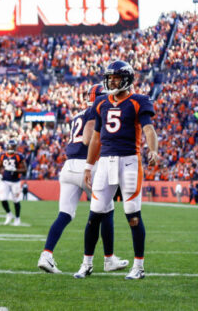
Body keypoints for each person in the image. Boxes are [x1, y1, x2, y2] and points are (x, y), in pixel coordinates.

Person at [75, 60, 160, 280]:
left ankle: (139, 267)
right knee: (94, 216)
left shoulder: (138, 101)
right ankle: (86, 264)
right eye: (110, 77)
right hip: (104, 163)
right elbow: (95, 137)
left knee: (132, 215)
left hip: (130, 161)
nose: (112, 81)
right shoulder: (101, 102)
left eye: (116, 78)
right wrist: (88, 165)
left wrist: (152, 150)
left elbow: (149, 129)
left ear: (128, 79)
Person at [38, 84, 128, 274]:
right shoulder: (99, 110)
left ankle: (46, 255)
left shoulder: (79, 114)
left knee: (65, 214)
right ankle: (108, 258)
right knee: (107, 211)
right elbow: (88, 138)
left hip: (69, 166)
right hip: (88, 166)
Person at [0, 140, 27, 226]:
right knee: (2, 198)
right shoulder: (3, 156)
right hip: (5, 180)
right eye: (10, 146)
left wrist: (16, 170)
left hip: (15, 181)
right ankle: (9, 214)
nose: (11, 148)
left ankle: (17, 218)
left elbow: (25, 170)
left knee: (16, 200)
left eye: (13, 146)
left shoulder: (19, 156)